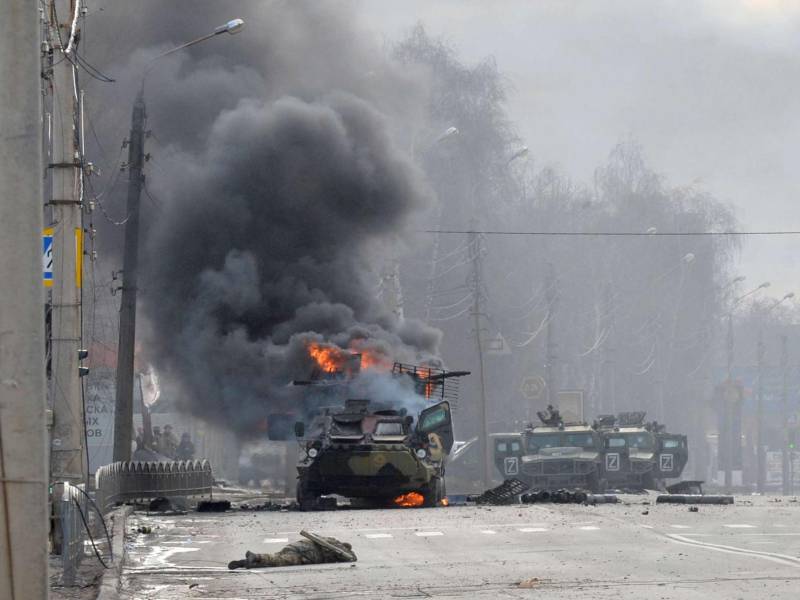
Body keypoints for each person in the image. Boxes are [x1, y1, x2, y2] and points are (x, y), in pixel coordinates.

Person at [228, 534, 356, 569]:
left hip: (296, 547)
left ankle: (248, 562)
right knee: (280, 560)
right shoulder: (337, 547)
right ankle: (255, 556)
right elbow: (352, 558)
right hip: (304, 554)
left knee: (277, 558)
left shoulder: (327, 540)